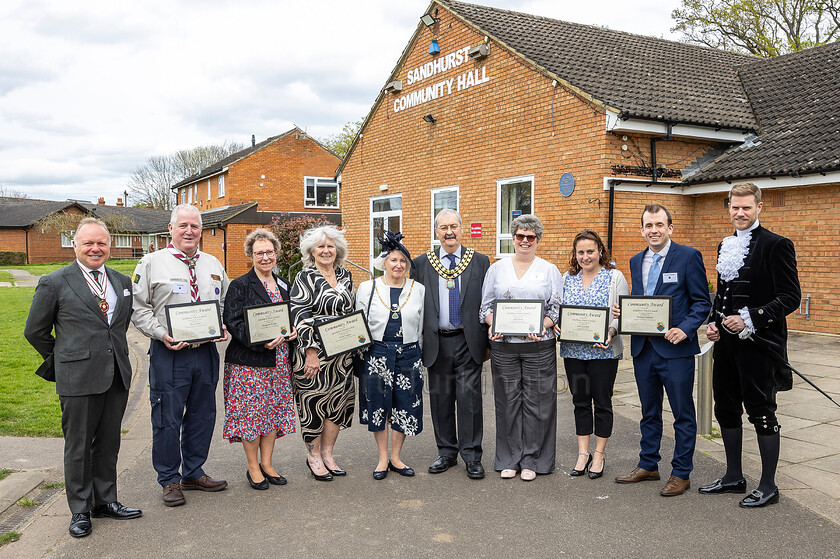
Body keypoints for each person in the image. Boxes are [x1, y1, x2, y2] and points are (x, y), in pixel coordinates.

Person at [25, 218, 142, 538]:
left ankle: (106, 500)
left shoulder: (121, 281)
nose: (95, 248)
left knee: (108, 442)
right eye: (88, 243)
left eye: (102, 243)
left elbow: (117, 327)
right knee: (78, 446)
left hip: (116, 374)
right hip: (77, 377)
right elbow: (34, 331)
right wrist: (64, 359)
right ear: (75, 245)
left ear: (110, 246)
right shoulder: (55, 282)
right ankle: (80, 509)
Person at [701, 182, 801, 508]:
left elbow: (790, 297)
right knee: (725, 407)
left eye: (746, 207)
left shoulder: (777, 245)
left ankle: (769, 485)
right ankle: (733, 476)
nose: (740, 213)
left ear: (760, 207)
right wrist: (715, 322)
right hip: (727, 346)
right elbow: (724, 294)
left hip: (759, 345)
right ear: (728, 207)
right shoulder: (725, 244)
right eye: (734, 207)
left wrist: (751, 318)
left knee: (760, 410)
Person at [132, 204, 230, 507]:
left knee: (203, 415)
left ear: (201, 230)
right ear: (171, 229)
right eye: (183, 225)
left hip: (206, 354)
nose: (190, 231)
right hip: (169, 353)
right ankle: (169, 479)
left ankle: (193, 471)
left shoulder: (213, 263)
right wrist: (162, 334)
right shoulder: (150, 264)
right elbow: (139, 309)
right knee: (167, 417)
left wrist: (222, 324)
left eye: (195, 226)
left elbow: (224, 301)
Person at [614, 204, 711, 496]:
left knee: (682, 413)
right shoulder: (635, 260)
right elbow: (644, 302)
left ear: (670, 228)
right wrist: (625, 312)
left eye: (659, 225)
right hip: (644, 350)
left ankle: (681, 473)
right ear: (641, 229)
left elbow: (701, 302)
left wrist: (686, 328)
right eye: (648, 225)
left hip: (676, 349)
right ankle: (648, 464)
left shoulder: (688, 256)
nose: (653, 230)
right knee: (649, 411)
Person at [480, 214, 563, 481]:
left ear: (537, 240)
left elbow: (556, 308)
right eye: (520, 236)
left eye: (530, 237)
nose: (525, 241)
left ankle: (534, 460)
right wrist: (494, 323)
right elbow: (486, 307)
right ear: (512, 238)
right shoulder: (497, 269)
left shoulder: (549, 269)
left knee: (539, 404)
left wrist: (544, 325)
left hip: (539, 346)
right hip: (504, 346)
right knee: (507, 403)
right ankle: (509, 458)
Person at [413, 209, 491, 479]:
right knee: (440, 400)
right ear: (436, 232)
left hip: (468, 340)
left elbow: (488, 301)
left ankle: (471, 456)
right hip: (437, 342)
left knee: (469, 400)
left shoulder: (480, 262)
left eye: (454, 226)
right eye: (443, 227)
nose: (449, 232)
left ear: (462, 229)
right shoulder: (422, 263)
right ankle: (446, 452)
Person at [222, 229, 298, 490]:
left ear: (276, 253)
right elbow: (232, 321)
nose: (265, 257)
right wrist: (260, 341)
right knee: (252, 417)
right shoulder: (240, 285)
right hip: (249, 363)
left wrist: (294, 331)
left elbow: (290, 316)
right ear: (250, 255)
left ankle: (267, 463)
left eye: (269, 252)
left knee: (272, 414)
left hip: (279, 361)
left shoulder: (284, 284)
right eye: (259, 253)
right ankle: (253, 467)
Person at [556, 229, 629, 479]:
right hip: (573, 352)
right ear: (575, 255)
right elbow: (558, 310)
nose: (586, 257)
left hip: (603, 352)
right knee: (580, 401)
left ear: (600, 252)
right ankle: (582, 453)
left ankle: (599, 453)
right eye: (581, 252)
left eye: (590, 251)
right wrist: (556, 323)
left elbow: (623, 315)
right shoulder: (567, 278)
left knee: (602, 402)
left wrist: (611, 330)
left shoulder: (614, 277)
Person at [355, 231, 425, 480]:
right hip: (377, 353)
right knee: (379, 406)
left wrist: (419, 354)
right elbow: (358, 325)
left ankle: (396, 457)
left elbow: (420, 325)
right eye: (393, 260)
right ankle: (382, 459)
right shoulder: (367, 287)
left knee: (404, 405)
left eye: (403, 261)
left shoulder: (418, 289)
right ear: (384, 262)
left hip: (408, 354)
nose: (399, 265)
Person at [290, 225, 355, 481]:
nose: (326, 250)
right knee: (314, 404)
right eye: (321, 246)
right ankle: (313, 456)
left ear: (337, 249)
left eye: (330, 246)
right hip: (314, 354)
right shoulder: (304, 277)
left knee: (337, 405)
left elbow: (351, 312)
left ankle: (328, 454)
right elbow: (301, 316)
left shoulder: (346, 274)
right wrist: (311, 352)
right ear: (311, 251)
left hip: (342, 355)